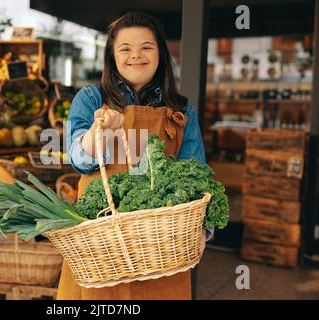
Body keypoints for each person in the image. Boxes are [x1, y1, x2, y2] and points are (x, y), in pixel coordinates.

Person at [58, 12, 213, 300]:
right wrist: (100, 128)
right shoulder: (91, 99)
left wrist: (202, 229)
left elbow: (197, 176)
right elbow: (80, 160)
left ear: (160, 54)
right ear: (112, 57)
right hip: (100, 244)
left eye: (146, 47)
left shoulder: (181, 110)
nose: (136, 56)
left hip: (163, 247)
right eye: (125, 49)